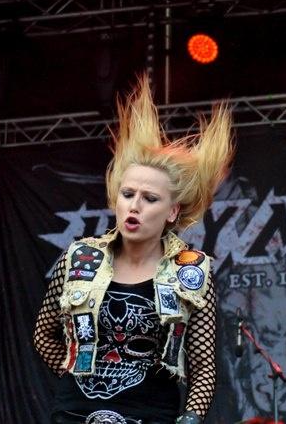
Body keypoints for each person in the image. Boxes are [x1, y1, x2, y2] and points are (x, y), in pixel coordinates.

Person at [33, 76, 235, 424]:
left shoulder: (191, 272)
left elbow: (203, 366)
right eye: (128, 194)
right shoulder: (80, 258)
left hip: (150, 417)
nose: (134, 206)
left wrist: (191, 418)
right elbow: (43, 335)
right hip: (75, 416)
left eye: (150, 198)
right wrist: (73, 372)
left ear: (172, 211)